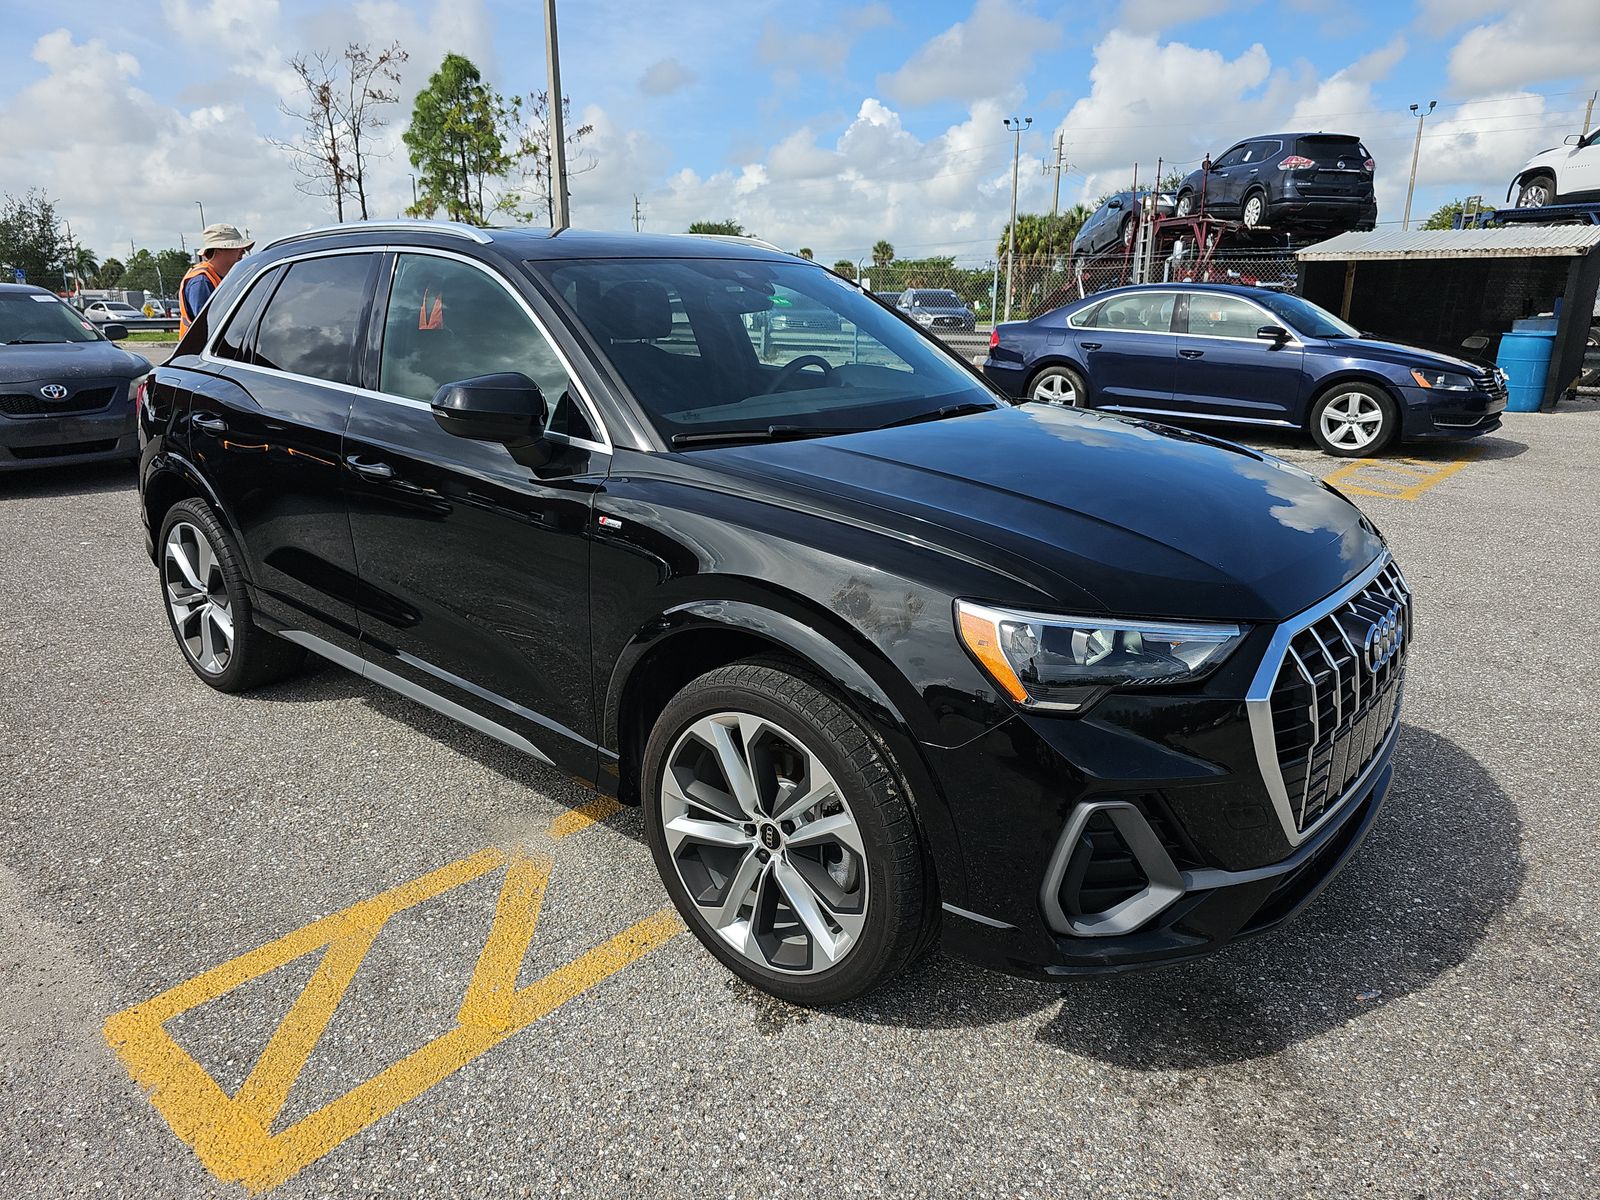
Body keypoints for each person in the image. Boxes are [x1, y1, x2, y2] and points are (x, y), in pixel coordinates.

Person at [178, 223, 254, 338]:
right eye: (237, 247)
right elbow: (208, 327)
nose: (243, 251)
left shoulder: (225, 277)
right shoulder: (201, 281)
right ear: (220, 249)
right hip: (200, 351)